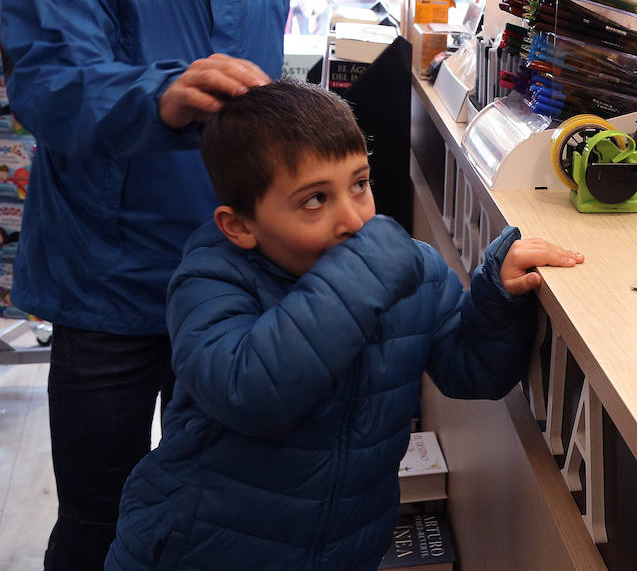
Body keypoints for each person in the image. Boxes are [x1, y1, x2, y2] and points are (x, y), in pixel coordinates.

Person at [0, 0, 290, 570]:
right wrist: (162, 97)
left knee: (220, 513)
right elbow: (48, 85)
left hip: (233, 285)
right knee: (100, 519)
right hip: (111, 288)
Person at [104, 81, 582, 571]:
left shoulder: (405, 271)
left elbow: (472, 372)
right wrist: (371, 268)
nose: (353, 220)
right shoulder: (212, 279)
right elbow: (249, 391)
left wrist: (495, 297)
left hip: (345, 548)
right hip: (196, 548)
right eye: (314, 200)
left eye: (359, 183)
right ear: (240, 225)